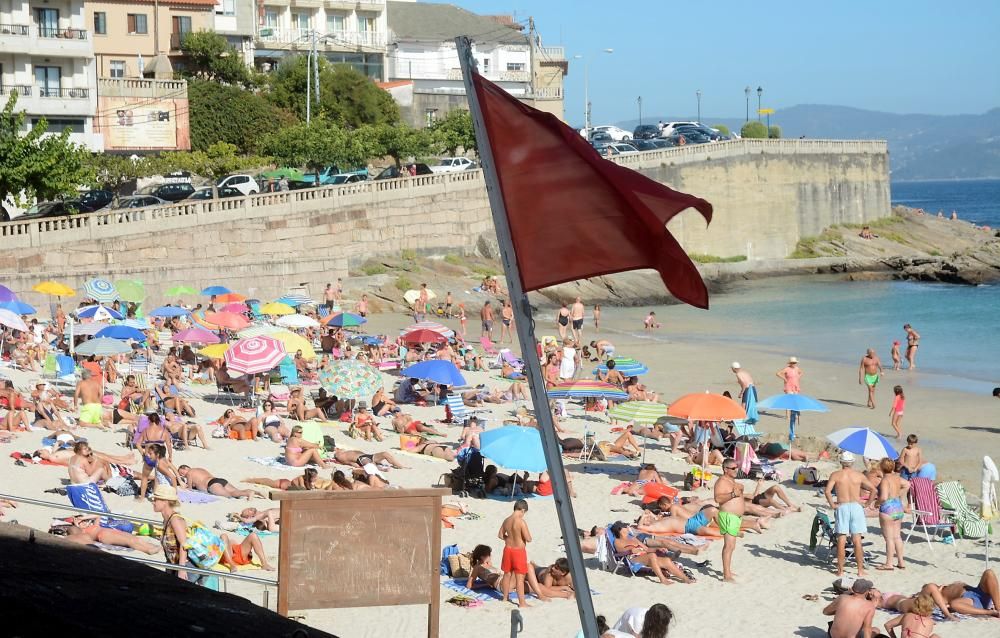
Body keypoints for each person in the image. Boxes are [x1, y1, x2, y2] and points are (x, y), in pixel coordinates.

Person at [825, 452, 876, 577]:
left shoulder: (836, 475)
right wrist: (868, 503)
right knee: (857, 540)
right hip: (856, 506)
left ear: (841, 462)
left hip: (842, 506)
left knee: (841, 539)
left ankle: (840, 571)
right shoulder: (858, 475)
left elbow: (827, 491)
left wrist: (832, 504)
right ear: (852, 462)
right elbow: (874, 490)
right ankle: (860, 570)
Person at [60, 514, 159, 554]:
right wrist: (77, 523)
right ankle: (147, 550)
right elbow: (73, 531)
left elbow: (97, 515)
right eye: (81, 522)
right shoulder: (82, 531)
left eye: (85, 521)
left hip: (110, 532)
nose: (84, 522)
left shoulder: (94, 525)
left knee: (133, 538)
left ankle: (151, 547)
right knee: (129, 541)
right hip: (103, 535)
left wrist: (83, 518)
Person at [876, 458, 910, 572]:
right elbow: (907, 484)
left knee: (889, 538)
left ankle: (889, 563)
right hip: (898, 506)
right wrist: (899, 494)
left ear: (882, 468)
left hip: (888, 508)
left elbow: (884, 497)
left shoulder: (885, 480)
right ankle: (901, 561)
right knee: (897, 536)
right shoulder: (897, 477)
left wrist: (876, 503)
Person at [715, 459, 745, 582]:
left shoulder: (731, 481)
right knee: (728, 546)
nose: (736, 470)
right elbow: (717, 498)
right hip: (728, 516)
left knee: (732, 546)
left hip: (735, 517)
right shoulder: (721, 481)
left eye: (736, 467)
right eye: (733, 468)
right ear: (725, 469)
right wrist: (733, 495)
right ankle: (726, 575)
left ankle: (728, 571)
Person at [499, 499, 532, 608]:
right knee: (519, 578)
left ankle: (505, 597)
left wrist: (508, 539)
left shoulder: (506, 520)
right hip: (518, 551)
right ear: (522, 510)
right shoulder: (521, 522)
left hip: (508, 549)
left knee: (507, 574)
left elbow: (500, 535)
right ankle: (522, 603)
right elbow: (528, 538)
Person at [178, 465, 255, 499]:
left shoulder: (189, 473)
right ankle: (256, 492)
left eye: (182, 472)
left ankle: (248, 493)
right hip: (219, 480)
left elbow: (190, 488)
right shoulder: (200, 469)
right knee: (236, 491)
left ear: (186, 468)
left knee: (230, 495)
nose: (182, 475)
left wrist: (184, 486)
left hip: (211, 484)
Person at [244, 468, 319, 492]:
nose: (316, 478)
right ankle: (251, 480)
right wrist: (311, 487)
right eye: (314, 477)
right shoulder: (301, 478)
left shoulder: (309, 480)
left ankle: (253, 479)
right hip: (282, 484)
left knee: (269, 481)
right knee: (267, 482)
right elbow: (303, 489)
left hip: (286, 483)